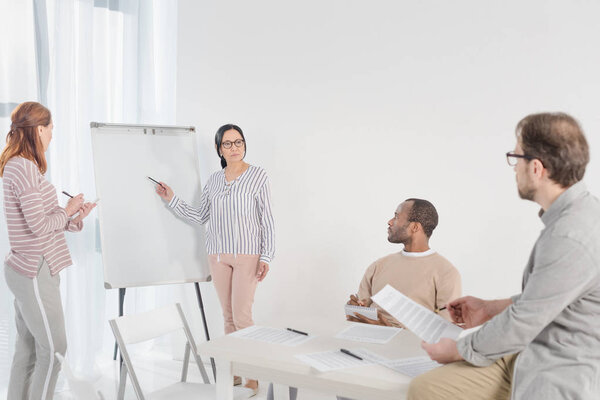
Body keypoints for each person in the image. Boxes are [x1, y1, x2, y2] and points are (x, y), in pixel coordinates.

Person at [409, 113, 600, 400]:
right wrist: (489, 308)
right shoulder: (575, 217)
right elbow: (548, 298)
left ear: (536, 168)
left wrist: (458, 349)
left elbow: (524, 322)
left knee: (427, 391)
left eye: (516, 157)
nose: (514, 169)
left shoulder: (570, 236)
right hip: (532, 345)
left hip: (558, 363)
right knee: (425, 387)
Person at [155, 124, 274, 395]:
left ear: (244, 145)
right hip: (218, 254)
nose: (234, 148)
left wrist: (266, 255)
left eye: (239, 142)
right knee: (229, 316)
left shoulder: (258, 176)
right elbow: (200, 216)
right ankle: (233, 371)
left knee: (243, 317)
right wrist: (171, 198)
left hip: (247, 253)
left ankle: (252, 374)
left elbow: (267, 219)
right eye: (228, 144)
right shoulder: (213, 181)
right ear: (219, 149)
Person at [0, 102, 96, 400]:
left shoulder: (21, 165)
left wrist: (73, 216)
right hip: (34, 270)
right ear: (38, 129)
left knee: (28, 349)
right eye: (51, 127)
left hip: (32, 268)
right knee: (54, 349)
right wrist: (66, 211)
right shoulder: (24, 168)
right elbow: (39, 225)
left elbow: (46, 220)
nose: (53, 133)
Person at [347, 198, 461, 326]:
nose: (389, 222)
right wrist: (355, 310)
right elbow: (359, 315)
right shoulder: (378, 266)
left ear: (414, 227)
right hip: (365, 343)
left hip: (411, 345)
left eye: (396, 217)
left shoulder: (446, 272)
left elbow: (445, 331)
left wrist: (389, 328)